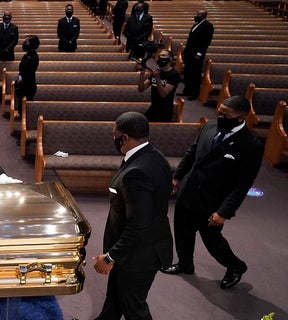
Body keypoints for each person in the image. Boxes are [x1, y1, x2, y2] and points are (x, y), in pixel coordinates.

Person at [161, 96, 263, 289]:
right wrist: (176, 176)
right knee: (182, 233)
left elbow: (242, 185)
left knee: (212, 242)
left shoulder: (251, 145)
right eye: (219, 112)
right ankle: (185, 264)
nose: (220, 117)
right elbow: (192, 152)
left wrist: (223, 213)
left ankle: (235, 266)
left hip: (213, 202)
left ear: (241, 117)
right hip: (189, 190)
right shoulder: (209, 126)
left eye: (226, 115)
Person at [92, 111, 173, 320]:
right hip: (140, 248)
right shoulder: (155, 156)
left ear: (125, 138)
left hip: (138, 255)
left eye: (114, 134)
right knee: (115, 300)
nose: (113, 138)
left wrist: (110, 257)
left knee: (134, 308)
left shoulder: (135, 173)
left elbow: (139, 225)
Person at [138, 49, 180, 122]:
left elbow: (163, 94)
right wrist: (142, 75)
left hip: (165, 111)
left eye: (163, 55)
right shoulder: (157, 72)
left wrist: (158, 78)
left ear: (170, 59)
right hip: (153, 107)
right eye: (159, 56)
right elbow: (141, 89)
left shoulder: (174, 75)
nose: (161, 57)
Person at [181, 10, 213, 101]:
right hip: (189, 53)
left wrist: (199, 53)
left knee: (195, 74)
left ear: (204, 16)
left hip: (196, 54)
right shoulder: (196, 24)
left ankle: (194, 93)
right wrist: (185, 51)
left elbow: (206, 42)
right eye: (197, 14)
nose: (196, 16)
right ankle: (186, 90)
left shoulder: (208, 26)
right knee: (187, 72)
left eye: (199, 15)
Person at [14, 35, 40, 115]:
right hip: (23, 85)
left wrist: (21, 80)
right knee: (22, 107)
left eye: (27, 41)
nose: (25, 43)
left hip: (28, 86)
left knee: (25, 109)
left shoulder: (34, 57)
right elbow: (22, 70)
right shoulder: (27, 55)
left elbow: (29, 73)